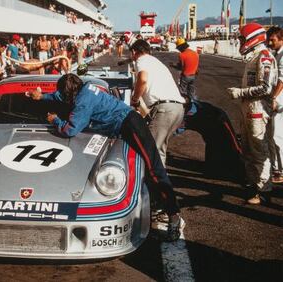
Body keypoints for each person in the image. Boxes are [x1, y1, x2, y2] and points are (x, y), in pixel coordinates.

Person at [27, 73, 184, 242]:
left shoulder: (82, 103)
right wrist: (43, 96)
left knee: (153, 169)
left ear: (71, 94)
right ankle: (158, 208)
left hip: (129, 125)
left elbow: (70, 130)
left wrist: (55, 120)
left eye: (65, 96)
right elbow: (61, 96)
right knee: (142, 170)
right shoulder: (84, 87)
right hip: (124, 125)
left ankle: (174, 216)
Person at [226, 23, 278, 204]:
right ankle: (252, 184)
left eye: (242, 38)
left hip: (258, 109)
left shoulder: (264, 57)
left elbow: (266, 87)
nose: (240, 41)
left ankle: (263, 190)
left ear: (252, 38)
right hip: (249, 109)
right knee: (247, 149)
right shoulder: (253, 57)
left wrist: (240, 93)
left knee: (259, 150)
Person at [129, 39, 185, 166]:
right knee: (159, 150)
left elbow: (142, 80)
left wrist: (135, 99)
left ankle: (149, 183)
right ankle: (161, 181)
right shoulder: (156, 62)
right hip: (177, 109)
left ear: (134, 51)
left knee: (147, 149)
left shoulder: (141, 60)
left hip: (164, 109)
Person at [268, 28, 283, 184]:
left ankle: (280, 171)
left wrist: (273, 97)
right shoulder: (276, 54)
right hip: (278, 99)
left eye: (273, 40)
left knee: (277, 137)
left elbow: (282, 80)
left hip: (279, 101)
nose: (270, 42)